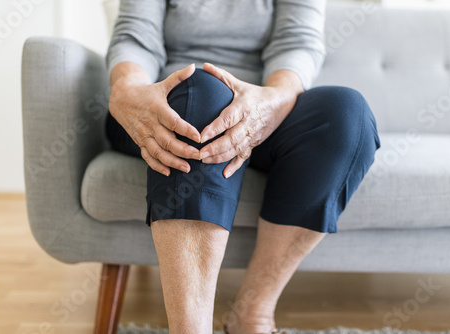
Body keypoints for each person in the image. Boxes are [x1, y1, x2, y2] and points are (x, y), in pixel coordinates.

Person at [105, 0, 381, 333]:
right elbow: (137, 36)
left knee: (346, 112)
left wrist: (271, 101)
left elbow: (296, 41)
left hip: (263, 105)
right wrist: (127, 89)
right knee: (205, 88)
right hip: (167, 111)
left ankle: (253, 315)